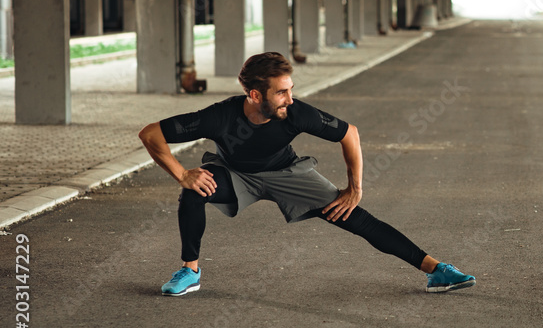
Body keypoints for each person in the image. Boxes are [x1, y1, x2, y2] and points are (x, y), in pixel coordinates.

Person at [139, 52, 475, 297]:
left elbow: (350, 134)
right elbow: (151, 133)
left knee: (353, 215)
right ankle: (190, 271)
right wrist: (182, 174)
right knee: (194, 190)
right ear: (255, 96)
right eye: (281, 92)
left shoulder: (296, 113)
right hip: (235, 174)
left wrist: (354, 188)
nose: (290, 98)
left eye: (291, 89)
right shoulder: (220, 117)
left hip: (287, 173)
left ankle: (436, 270)